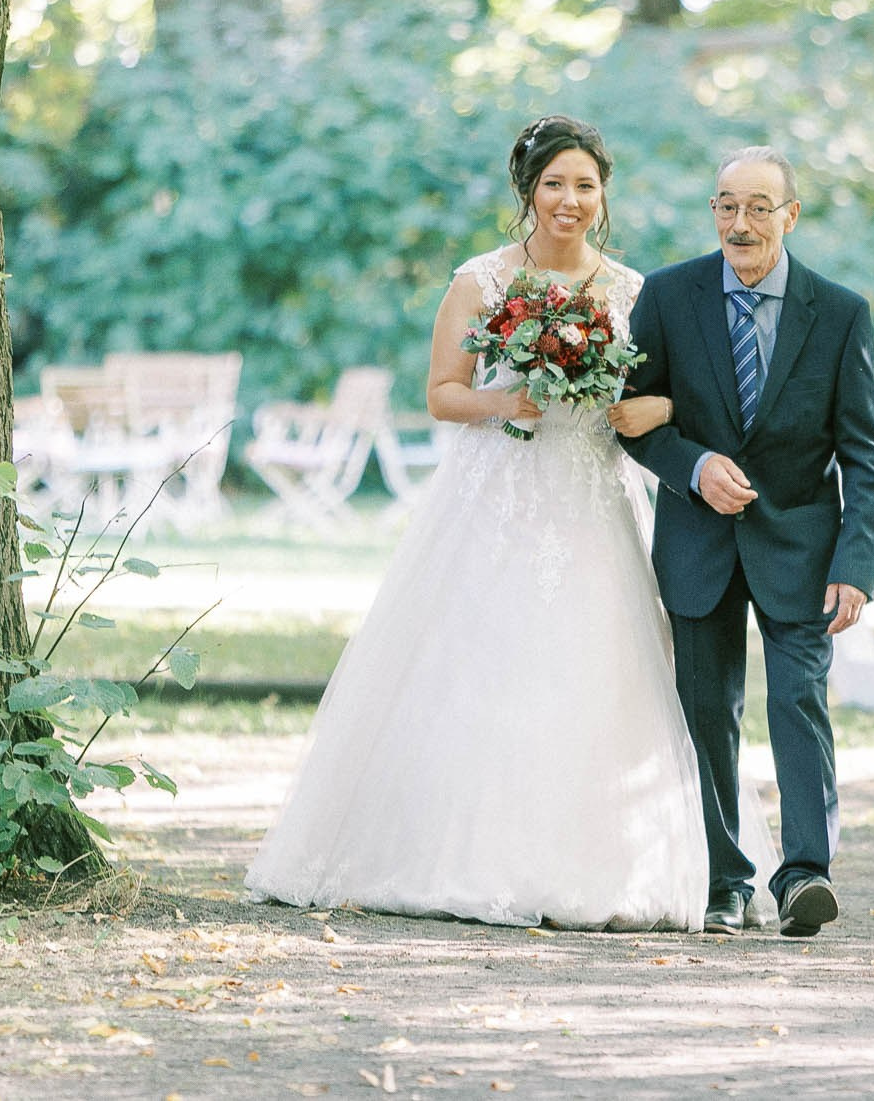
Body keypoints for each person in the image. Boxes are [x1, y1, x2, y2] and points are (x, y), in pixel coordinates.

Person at [245, 115, 713, 930]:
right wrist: (505, 400)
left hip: (593, 500)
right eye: (555, 184)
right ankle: (458, 857)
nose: (570, 200)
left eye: (586, 186)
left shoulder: (635, 290)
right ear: (528, 191)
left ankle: (598, 864)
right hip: (498, 496)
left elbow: (662, 397)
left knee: (596, 662)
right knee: (480, 663)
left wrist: (631, 401)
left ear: (605, 196)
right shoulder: (482, 281)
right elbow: (441, 392)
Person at [618, 146, 874, 937]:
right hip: (698, 541)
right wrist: (695, 464)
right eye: (727, 206)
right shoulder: (669, 296)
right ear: (714, 211)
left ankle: (806, 873)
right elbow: (635, 419)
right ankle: (724, 880)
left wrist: (857, 565)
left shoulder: (840, 313)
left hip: (804, 547)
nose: (740, 223)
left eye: (758, 208)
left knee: (799, 699)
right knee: (708, 709)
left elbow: (867, 453)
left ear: (790, 215)